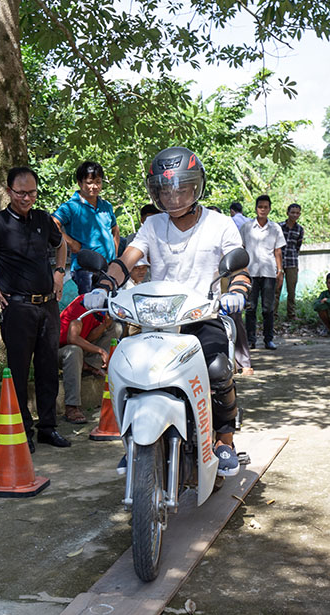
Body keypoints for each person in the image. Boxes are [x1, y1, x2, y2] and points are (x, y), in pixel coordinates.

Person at [97, 146, 251, 478]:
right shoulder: (152, 227)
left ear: (197, 187)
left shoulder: (221, 224)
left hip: (202, 316)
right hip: (157, 322)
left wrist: (236, 293)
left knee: (218, 368)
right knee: (128, 367)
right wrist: (105, 285)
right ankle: (136, 441)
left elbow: (239, 268)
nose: (173, 196)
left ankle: (224, 441)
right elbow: (128, 259)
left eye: (181, 187)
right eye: (165, 189)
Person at [0, 167, 71, 452]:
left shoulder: (43, 219)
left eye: (32, 192)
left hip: (48, 306)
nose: (27, 198)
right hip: (16, 308)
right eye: (21, 193)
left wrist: (59, 273)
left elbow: (61, 245)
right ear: (8, 191)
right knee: (18, 371)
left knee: (47, 369)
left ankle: (47, 427)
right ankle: (21, 431)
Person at [53, 161, 119, 295]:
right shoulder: (70, 207)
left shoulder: (106, 206)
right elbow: (52, 224)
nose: (94, 186)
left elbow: (115, 229)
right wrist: (71, 243)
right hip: (85, 271)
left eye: (98, 182)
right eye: (89, 182)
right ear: (79, 182)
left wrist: (115, 257)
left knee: (110, 311)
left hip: (109, 269)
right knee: (89, 310)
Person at [58, 292, 118, 424]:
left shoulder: (102, 309)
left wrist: (104, 326)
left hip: (80, 349)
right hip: (59, 350)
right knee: (74, 351)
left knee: (114, 327)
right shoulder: (83, 304)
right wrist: (100, 351)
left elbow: (87, 337)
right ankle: (71, 407)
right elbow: (72, 338)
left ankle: (91, 365)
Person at [241, 194, 285, 350]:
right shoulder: (246, 228)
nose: (263, 210)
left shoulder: (275, 228)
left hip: (268, 273)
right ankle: (251, 339)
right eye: (260, 207)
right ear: (256, 208)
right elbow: (242, 249)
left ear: (270, 209)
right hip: (250, 272)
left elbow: (278, 251)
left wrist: (280, 271)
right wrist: (242, 271)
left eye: (266, 207)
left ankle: (268, 339)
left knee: (268, 308)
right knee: (250, 307)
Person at [276, 203, 304, 319]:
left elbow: (298, 247)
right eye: (292, 212)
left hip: (292, 262)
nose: (294, 215)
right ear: (287, 213)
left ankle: (291, 314)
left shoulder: (300, 229)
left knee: (291, 291)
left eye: (297, 213)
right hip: (278, 262)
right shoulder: (278, 227)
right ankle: (273, 315)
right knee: (276, 290)